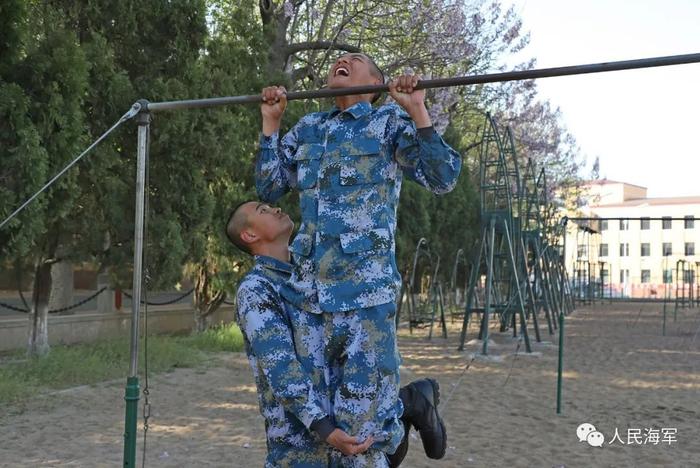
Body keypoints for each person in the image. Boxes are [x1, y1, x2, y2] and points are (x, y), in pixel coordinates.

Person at [256, 52, 460, 466]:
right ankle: (411, 404)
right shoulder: (310, 127)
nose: (340, 61)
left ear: (374, 81)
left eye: (354, 60)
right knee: (319, 424)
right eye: (337, 59)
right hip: (309, 300)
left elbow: (443, 179)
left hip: (366, 298)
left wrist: (417, 109)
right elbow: (270, 188)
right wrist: (272, 122)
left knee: (362, 432)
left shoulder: (388, 124)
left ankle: (405, 411)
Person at [228, 201, 446, 467]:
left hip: (351, 428)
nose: (275, 209)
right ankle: (411, 401)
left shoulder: (317, 273)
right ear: (249, 235)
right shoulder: (257, 289)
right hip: (304, 444)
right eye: (263, 210)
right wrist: (323, 428)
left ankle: (407, 403)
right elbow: (280, 366)